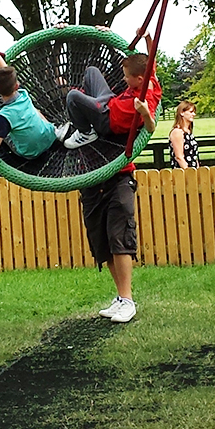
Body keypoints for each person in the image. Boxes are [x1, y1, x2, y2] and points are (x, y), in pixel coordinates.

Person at [79, 92, 156, 324]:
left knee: (119, 236)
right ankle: (122, 298)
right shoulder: (79, 110)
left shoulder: (114, 107)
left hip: (119, 176)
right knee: (103, 241)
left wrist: (145, 113)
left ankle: (128, 300)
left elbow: (150, 126)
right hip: (91, 180)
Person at [0, 43, 67, 159]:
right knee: (34, 110)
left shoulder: (3, 116)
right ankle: (55, 129)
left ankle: (19, 137)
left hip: (31, 152)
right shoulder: (23, 95)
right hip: (51, 136)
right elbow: (4, 68)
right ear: (17, 86)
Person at [63, 32, 162, 150]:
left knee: (73, 96)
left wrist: (144, 112)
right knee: (92, 71)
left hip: (107, 119)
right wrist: (147, 37)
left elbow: (151, 127)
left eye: (126, 76)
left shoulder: (146, 98)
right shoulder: (149, 76)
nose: (124, 78)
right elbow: (152, 56)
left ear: (139, 79)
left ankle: (86, 133)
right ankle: (88, 114)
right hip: (110, 100)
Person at [168, 101, 199, 169]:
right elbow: (179, 157)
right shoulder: (177, 132)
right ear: (182, 113)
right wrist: (188, 173)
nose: (194, 114)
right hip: (182, 173)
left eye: (194, 112)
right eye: (191, 112)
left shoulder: (188, 132)